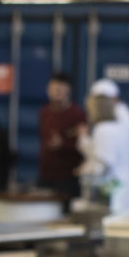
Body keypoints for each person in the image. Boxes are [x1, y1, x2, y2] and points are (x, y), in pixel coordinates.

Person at [81, 80, 129, 213]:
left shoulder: (104, 128)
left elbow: (104, 162)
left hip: (112, 189)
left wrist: (86, 170)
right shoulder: (127, 118)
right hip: (126, 186)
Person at [36, 71, 87, 203]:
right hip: (46, 175)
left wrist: (63, 145)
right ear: (48, 90)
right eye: (53, 88)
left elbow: (84, 148)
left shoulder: (77, 114)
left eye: (60, 88)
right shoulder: (44, 112)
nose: (57, 92)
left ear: (68, 90)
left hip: (67, 178)